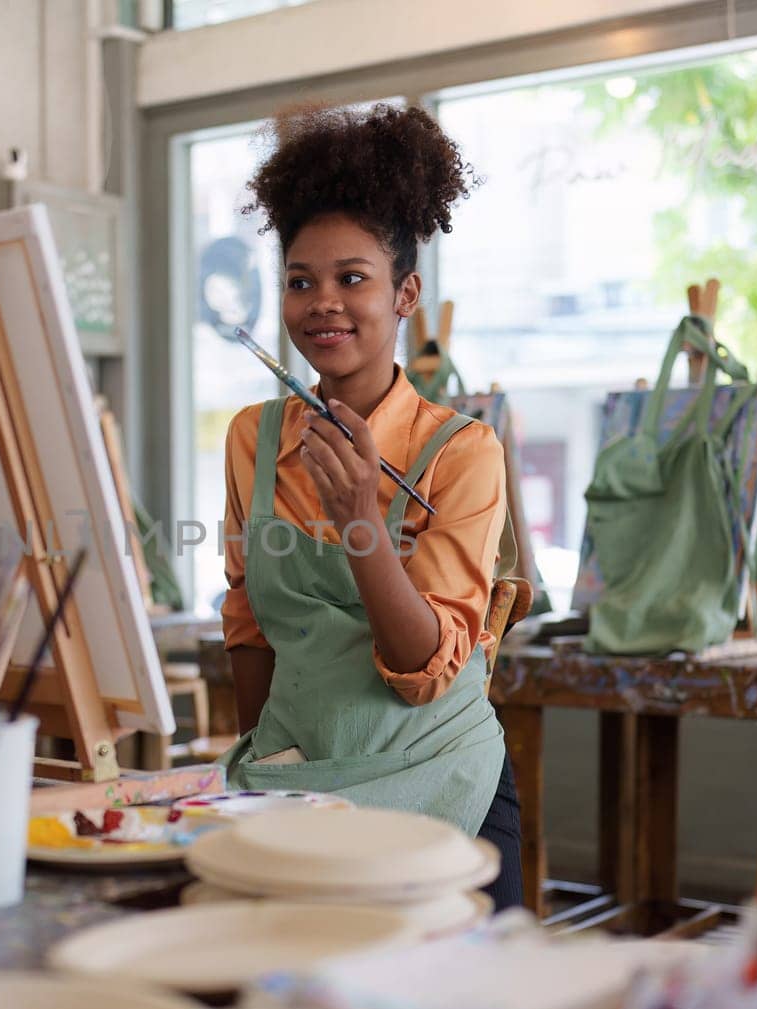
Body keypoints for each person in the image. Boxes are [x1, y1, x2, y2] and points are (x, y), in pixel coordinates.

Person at [218, 102, 522, 911]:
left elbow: (424, 670)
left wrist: (361, 520)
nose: (323, 302)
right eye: (300, 281)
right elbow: (251, 619)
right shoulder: (254, 436)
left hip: (442, 785)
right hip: (301, 785)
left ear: (405, 293)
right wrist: (258, 762)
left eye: (352, 278)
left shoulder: (464, 453)